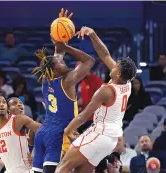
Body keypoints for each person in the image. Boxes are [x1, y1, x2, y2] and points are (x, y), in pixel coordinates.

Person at [56, 26, 137, 173]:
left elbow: (83, 116)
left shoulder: (106, 91)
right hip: (110, 140)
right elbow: (104, 54)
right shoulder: (127, 83)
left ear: (118, 73)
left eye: (115, 66)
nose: (111, 65)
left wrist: (67, 130)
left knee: (63, 166)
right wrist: (92, 34)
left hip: (99, 134)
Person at [32, 9, 95, 173]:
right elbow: (89, 61)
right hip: (58, 135)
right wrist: (66, 45)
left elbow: (57, 53)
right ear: (55, 70)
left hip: (43, 132)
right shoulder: (67, 81)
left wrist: (60, 33)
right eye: (59, 64)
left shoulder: (47, 78)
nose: (63, 63)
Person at [0, 93, 41, 173]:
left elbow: (45, 131)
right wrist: (8, 162)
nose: (2, 104)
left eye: (4, 102)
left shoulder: (19, 121)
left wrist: (36, 154)